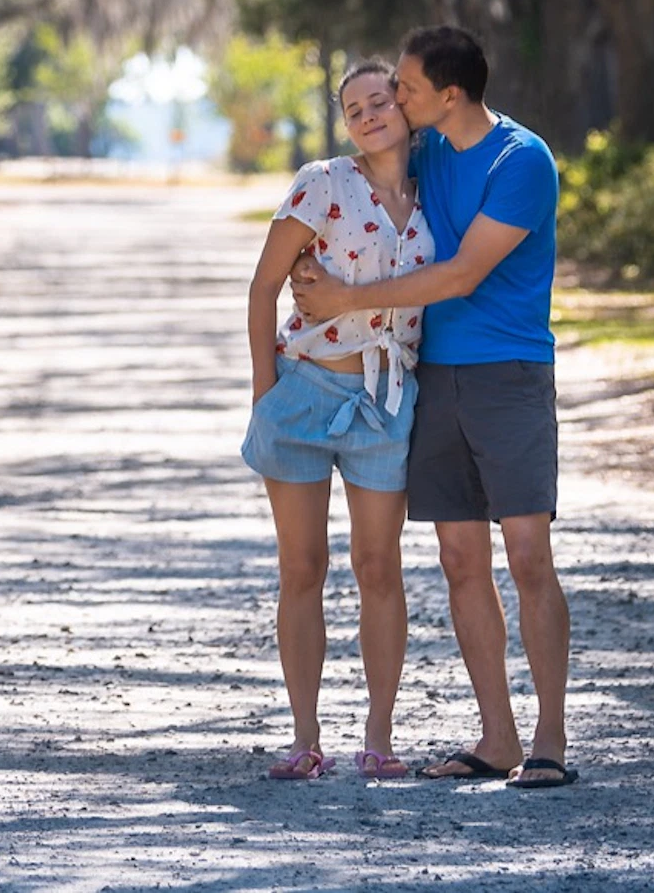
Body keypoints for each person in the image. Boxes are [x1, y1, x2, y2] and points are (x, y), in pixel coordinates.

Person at [289, 23, 570, 789]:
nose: (395, 100)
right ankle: (499, 735)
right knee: (458, 559)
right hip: (431, 374)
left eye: (406, 88)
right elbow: (357, 192)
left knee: (528, 555)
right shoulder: (430, 152)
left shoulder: (523, 160)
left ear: (449, 94)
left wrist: (348, 298)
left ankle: (550, 735)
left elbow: (460, 275)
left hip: (508, 372)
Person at [240, 62, 433, 781]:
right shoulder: (322, 182)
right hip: (306, 390)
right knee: (302, 566)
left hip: (386, 397)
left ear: (406, 107)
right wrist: (267, 390)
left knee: (379, 566)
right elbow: (264, 286)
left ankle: (379, 734)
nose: (368, 113)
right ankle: (304, 736)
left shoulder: (434, 189)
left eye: (380, 99)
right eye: (353, 106)